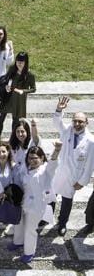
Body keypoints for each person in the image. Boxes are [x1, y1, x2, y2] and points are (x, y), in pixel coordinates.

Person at [9, 144, 62, 263]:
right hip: (23, 202)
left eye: (35, 158)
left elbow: (53, 163)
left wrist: (57, 150)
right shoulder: (26, 169)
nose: (32, 160)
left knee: (30, 229)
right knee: (19, 223)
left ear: (42, 158)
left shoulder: (45, 170)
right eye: (30, 158)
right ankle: (18, 242)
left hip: (36, 206)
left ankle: (29, 252)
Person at [51, 96, 94, 236]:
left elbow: (89, 165)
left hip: (72, 177)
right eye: (75, 120)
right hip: (58, 171)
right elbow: (56, 122)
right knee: (50, 196)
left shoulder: (91, 141)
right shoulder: (67, 130)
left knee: (67, 200)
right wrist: (59, 109)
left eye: (80, 121)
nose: (76, 124)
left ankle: (62, 223)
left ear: (86, 123)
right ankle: (45, 218)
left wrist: (82, 182)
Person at [0, 52, 36, 141]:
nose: (19, 63)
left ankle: (13, 139)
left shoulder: (29, 75)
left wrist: (23, 91)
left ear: (26, 62)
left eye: (21, 62)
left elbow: (33, 89)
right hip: (8, 97)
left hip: (19, 99)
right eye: (18, 61)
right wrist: (6, 87)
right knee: (1, 117)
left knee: (16, 121)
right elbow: (6, 80)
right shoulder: (12, 69)